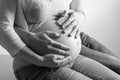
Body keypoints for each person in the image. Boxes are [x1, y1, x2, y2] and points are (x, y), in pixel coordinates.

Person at [0, 0, 120, 80]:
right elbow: (3, 28)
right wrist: (40, 60)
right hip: (36, 65)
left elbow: (78, 11)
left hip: (73, 56)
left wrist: (79, 17)